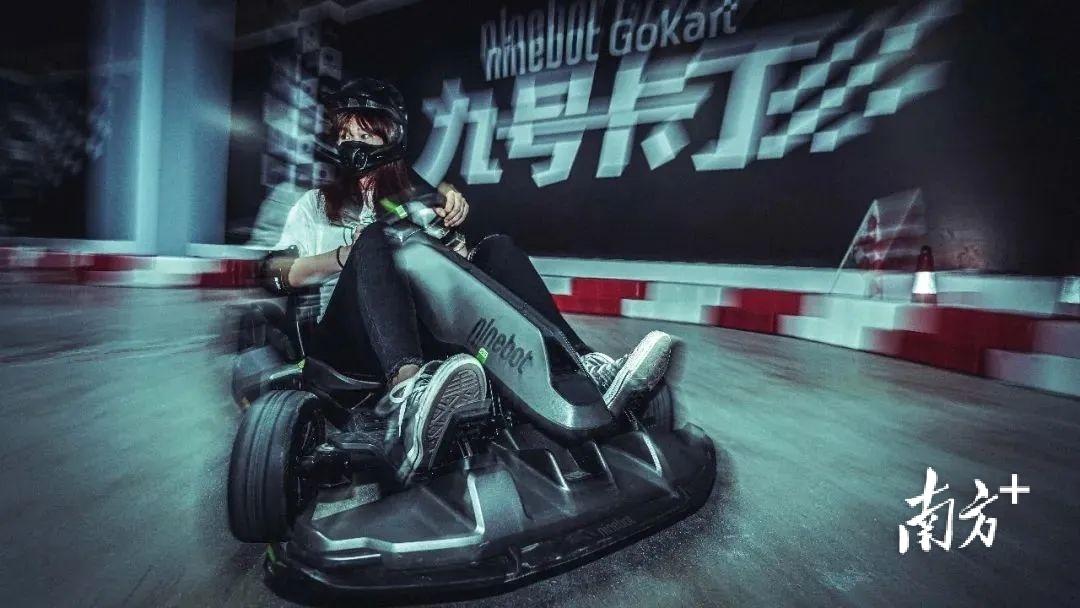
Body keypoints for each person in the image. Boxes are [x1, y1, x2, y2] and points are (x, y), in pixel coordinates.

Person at [263, 77, 673, 484]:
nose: (351, 144)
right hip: (347, 345)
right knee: (376, 239)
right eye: (344, 135)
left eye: (364, 135)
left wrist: (449, 238)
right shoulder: (315, 205)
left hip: (422, 339)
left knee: (497, 249)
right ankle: (407, 395)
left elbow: (455, 284)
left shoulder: (418, 205)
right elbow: (276, 272)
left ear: (390, 139)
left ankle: (585, 368)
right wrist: (344, 255)